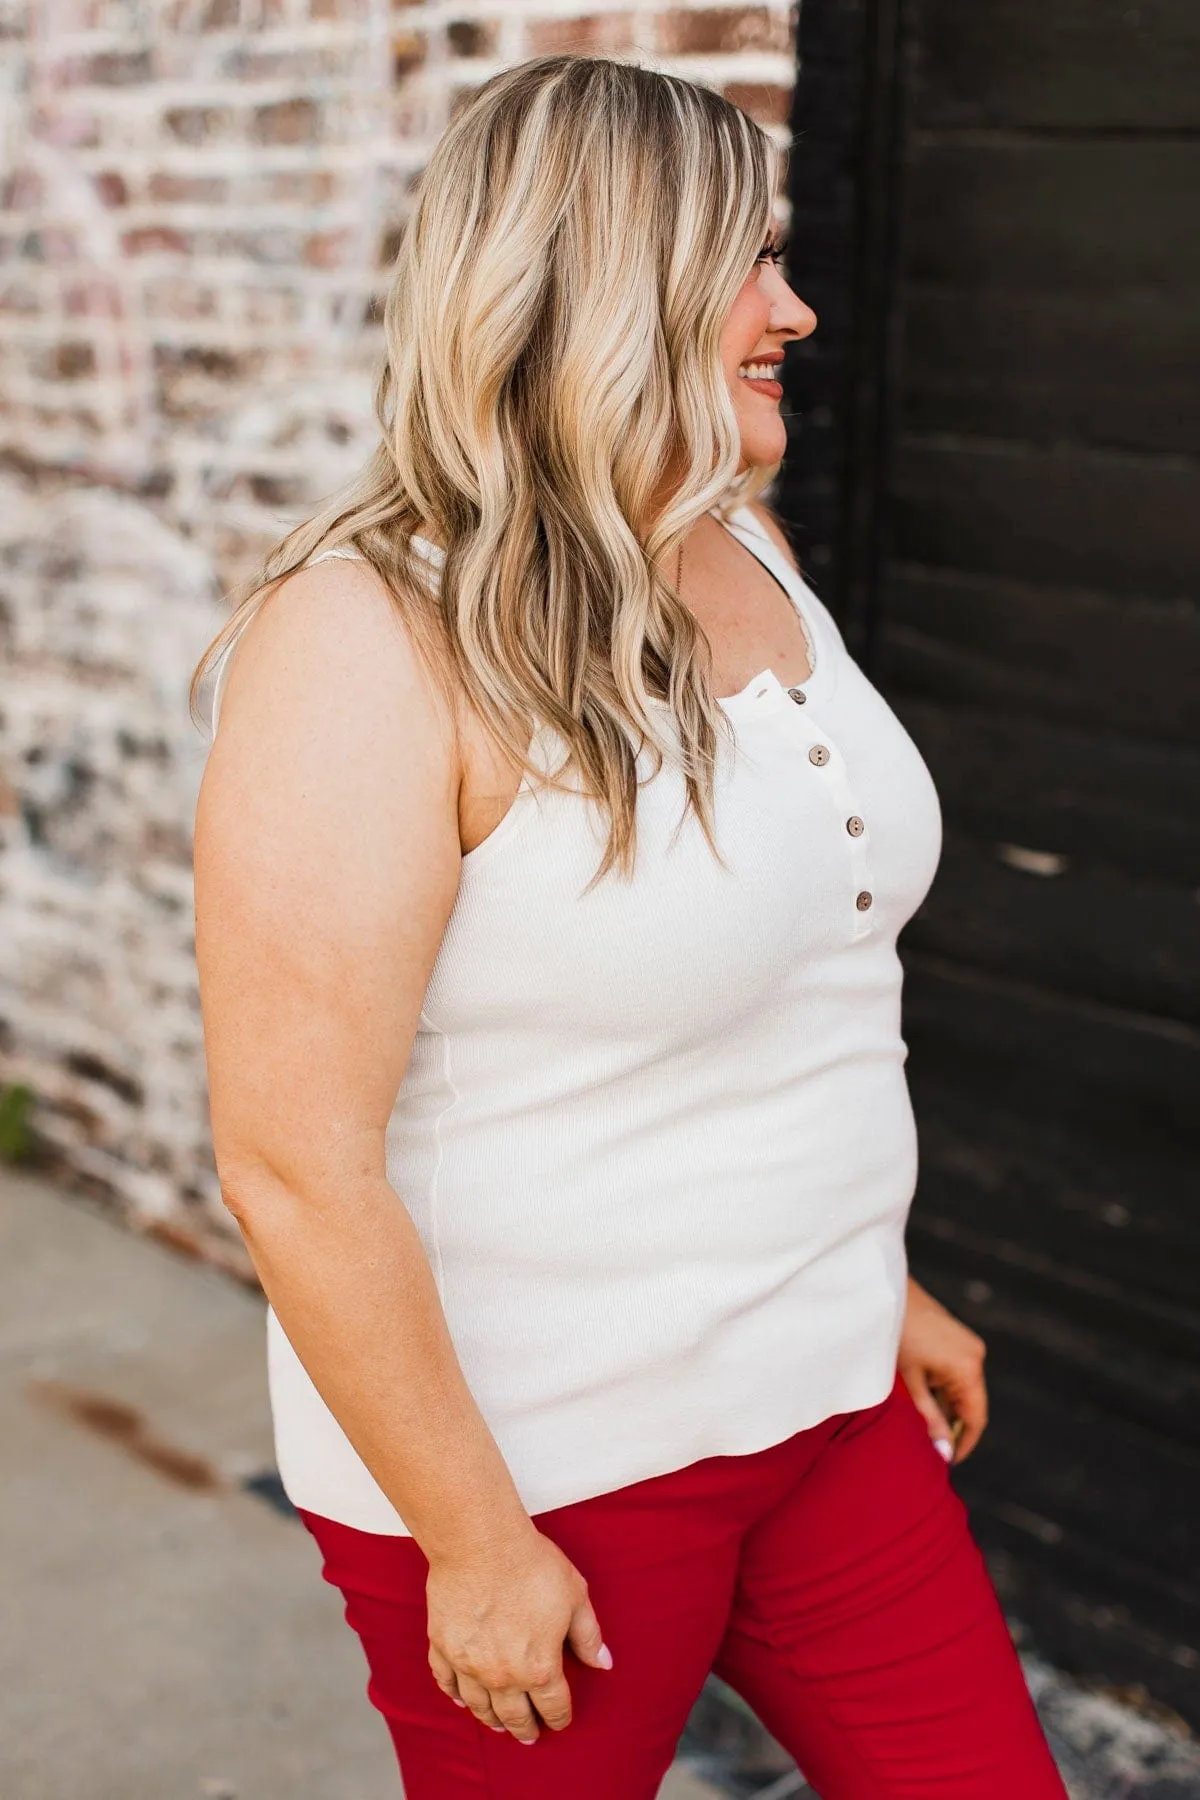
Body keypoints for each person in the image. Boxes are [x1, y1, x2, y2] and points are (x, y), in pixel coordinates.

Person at [191, 53, 1069, 1800]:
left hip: (825, 1402)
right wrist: (471, 1539)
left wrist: (866, 1277)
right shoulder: (369, 638)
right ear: (606, 287)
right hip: (545, 1473)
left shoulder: (735, 539)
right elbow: (295, 1160)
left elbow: (794, 977)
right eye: (749, 261)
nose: (799, 310)